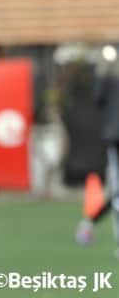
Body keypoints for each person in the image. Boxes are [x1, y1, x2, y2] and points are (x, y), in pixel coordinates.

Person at [75, 51, 119, 258]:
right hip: (115, 138)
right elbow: (98, 97)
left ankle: (88, 224)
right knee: (117, 192)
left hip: (113, 136)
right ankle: (89, 225)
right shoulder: (110, 81)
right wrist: (104, 72)